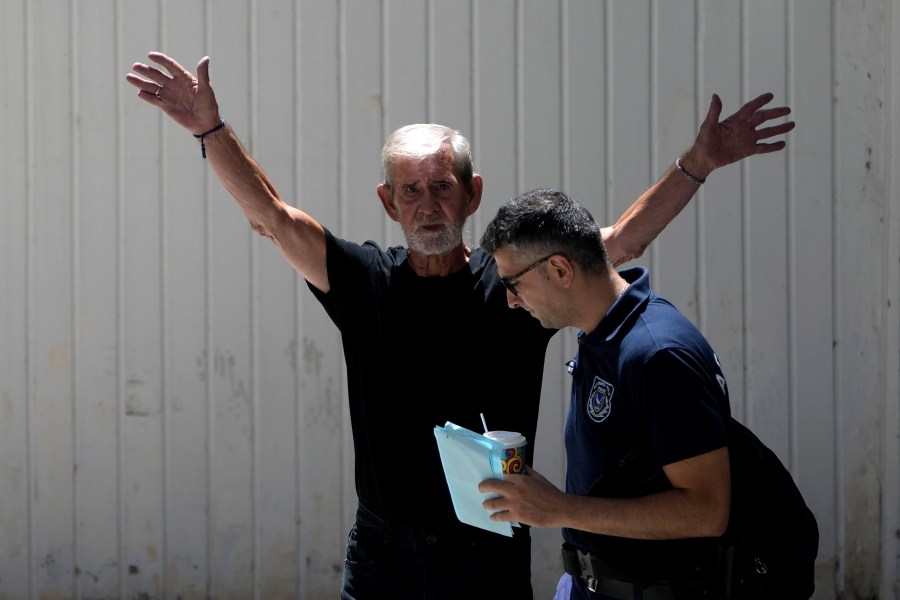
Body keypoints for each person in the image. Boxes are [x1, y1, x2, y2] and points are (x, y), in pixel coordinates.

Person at [125, 51, 795, 599]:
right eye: (410, 191)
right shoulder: (365, 281)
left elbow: (619, 243)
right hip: (383, 551)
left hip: (486, 554)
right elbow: (271, 217)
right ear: (388, 203)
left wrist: (697, 163)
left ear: (472, 194)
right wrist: (208, 131)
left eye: (442, 186)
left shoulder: (515, 285)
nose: (427, 206)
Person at [477, 188, 818, 599]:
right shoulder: (605, 333)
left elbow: (707, 510)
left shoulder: (657, 354)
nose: (511, 301)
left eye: (513, 283)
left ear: (561, 271)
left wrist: (558, 509)